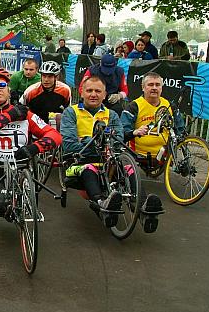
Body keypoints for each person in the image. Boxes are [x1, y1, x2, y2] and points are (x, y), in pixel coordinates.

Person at [61, 75, 163, 231]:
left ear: (104, 94)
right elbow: (69, 145)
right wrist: (94, 143)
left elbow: (118, 140)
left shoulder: (112, 115)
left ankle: (144, 210)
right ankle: (102, 205)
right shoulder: (71, 112)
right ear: (82, 93)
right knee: (90, 168)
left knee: (128, 169)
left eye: (97, 91)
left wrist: (86, 140)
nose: (93, 94)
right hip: (78, 163)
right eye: (89, 90)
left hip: (109, 162)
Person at [0, 67, 61, 212]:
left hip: (20, 169)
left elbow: (54, 135)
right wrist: (10, 115)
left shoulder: (26, 115)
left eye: (2, 85)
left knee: (19, 203)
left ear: (8, 91)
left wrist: (34, 148)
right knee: (1, 205)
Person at [121, 71, 186, 165]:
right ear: (143, 88)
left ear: (161, 88)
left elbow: (180, 129)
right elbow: (123, 131)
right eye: (150, 85)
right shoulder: (134, 106)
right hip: (138, 156)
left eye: (157, 85)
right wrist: (134, 132)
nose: (154, 88)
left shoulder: (170, 106)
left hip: (165, 156)